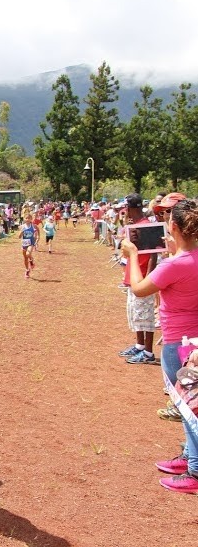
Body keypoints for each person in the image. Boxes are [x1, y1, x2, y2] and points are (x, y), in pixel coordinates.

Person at [121, 198, 198, 493]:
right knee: (191, 405)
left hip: (178, 344)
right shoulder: (185, 260)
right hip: (192, 341)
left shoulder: (174, 265)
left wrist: (132, 255)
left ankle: (195, 471)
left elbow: (140, 289)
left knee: (188, 409)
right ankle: (190, 456)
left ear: (173, 227)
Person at [119, 194, 159, 366]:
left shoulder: (146, 225)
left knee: (145, 315)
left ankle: (148, 352)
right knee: (136, 313)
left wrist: (148, 277)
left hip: (142, 277)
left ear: (130, 208)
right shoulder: (134, 225)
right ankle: (140, 345)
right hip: (134, 276)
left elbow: (153, 254)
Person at [18, 214, 38, 278]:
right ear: (24, 219)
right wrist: (22, 231)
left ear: (31, 219)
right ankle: (27, 270)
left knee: (28, 253)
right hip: (24, 244)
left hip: (30, 243)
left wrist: (35, 238)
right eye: (26, 218)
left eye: (29, 218)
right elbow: (19, 237)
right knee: (25, 258)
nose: (27, 219)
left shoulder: (33, 226)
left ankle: (31, 261)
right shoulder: (22, 226)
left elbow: (36, 234)